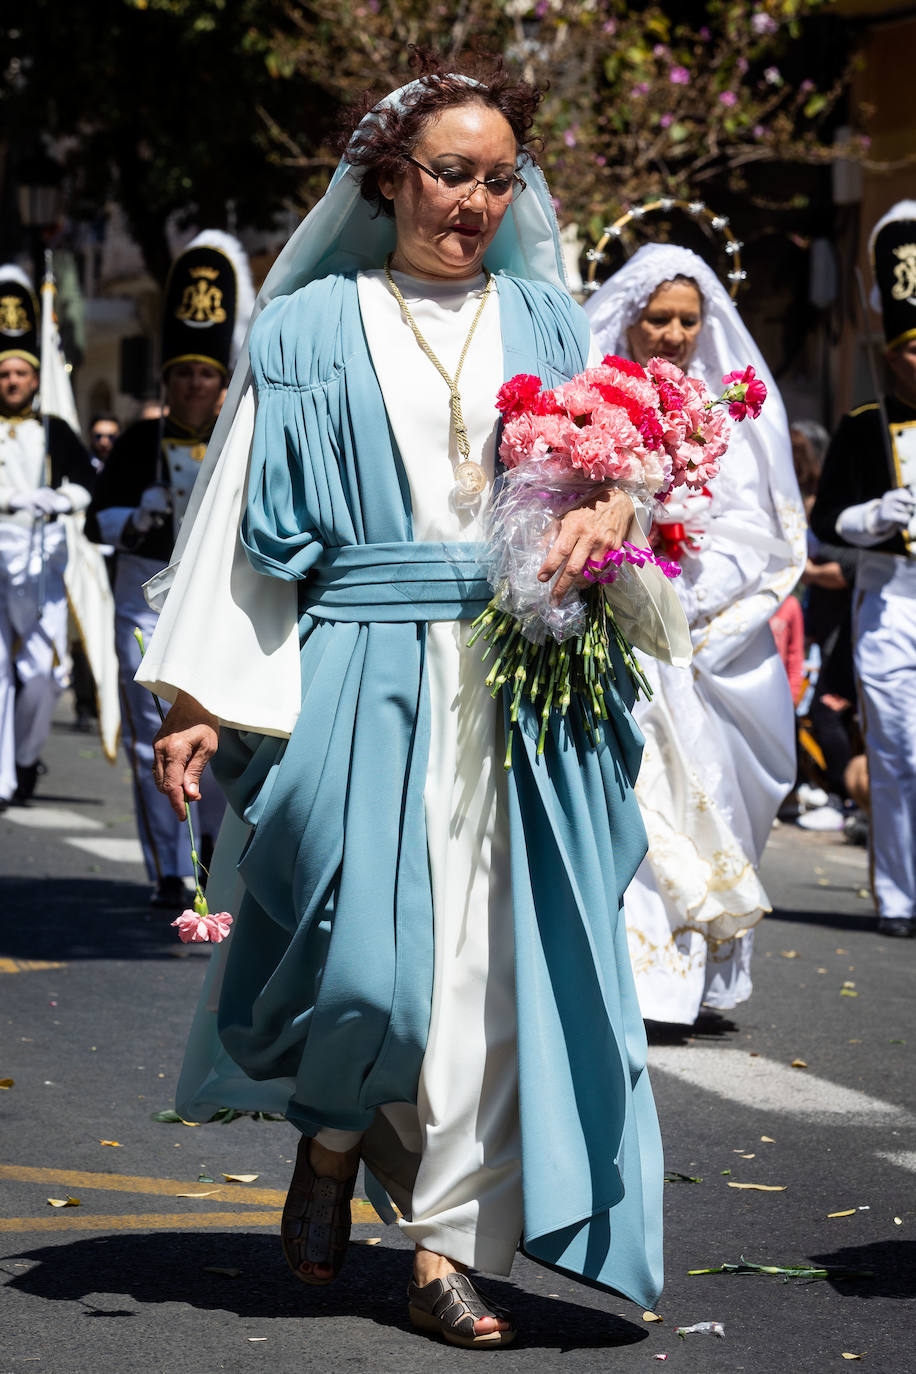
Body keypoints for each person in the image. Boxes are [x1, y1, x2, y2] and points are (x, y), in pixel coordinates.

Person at [137, 63, 690, 1345]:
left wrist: (616, 509)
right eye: (452, 173)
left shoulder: (552, 325)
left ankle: (442, 1253)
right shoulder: (311, 326)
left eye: (500, 178)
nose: (477, 201)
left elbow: (624, 488)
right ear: (387, 177)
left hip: (520, 673)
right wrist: (195, 695)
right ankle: (332, 1142)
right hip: (359, 662)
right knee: (371, 973)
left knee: (486, 976)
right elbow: (237, 523)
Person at [586, 243, 806, 1025]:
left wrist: (698, 592)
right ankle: (644, 982)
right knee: (638, 797)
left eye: (689, 319)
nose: (674, 333)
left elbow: (757, 523)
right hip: (621, 625)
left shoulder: (726, 413)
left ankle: (702, 978)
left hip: (708, 632)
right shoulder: (594, 398)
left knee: (718, 795)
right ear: (629, 317)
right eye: (659, 318)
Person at [86, 232, 253, 907]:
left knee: (217, 737)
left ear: (221, 383)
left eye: (205, 373)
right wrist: (136, 516)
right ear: (166, 380)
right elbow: (98, 520)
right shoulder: (135, 443)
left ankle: (212, 848)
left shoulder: (236, 444)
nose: (193, 382)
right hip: (143, 610)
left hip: (213, 610)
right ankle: (167, 870)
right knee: (148, 743)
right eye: (182, 372)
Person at [810, 200, 916, 938]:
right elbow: (824, 527)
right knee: (897, 746)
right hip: (890, 599)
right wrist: (872, 518)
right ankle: (900, 895)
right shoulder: (860, 424)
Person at [0, 264, 95, 807]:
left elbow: (85, 482)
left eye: (21, 373)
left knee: (42, 675)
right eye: (4, 373)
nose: (12, 381)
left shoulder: (54, 430)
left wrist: (64, 498)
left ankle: (23, 756)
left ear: (36, 377)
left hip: (40, 561)